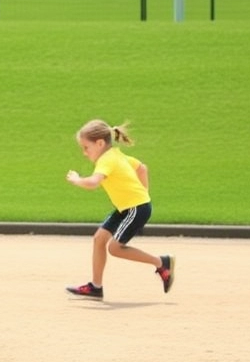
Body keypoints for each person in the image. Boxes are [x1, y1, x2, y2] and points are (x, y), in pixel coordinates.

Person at [64, 119, 174, 300]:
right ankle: (95, 287)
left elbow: (93, 183)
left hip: (135, 209)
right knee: (99, 239)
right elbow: (142, 168)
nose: (84, 153)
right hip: (130, 207)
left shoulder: (106, 160)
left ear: (100, 143)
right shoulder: (116, 154)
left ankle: (162, 263)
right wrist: (143, 194)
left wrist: (77, 179)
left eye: (86, 147)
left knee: (115, 248)